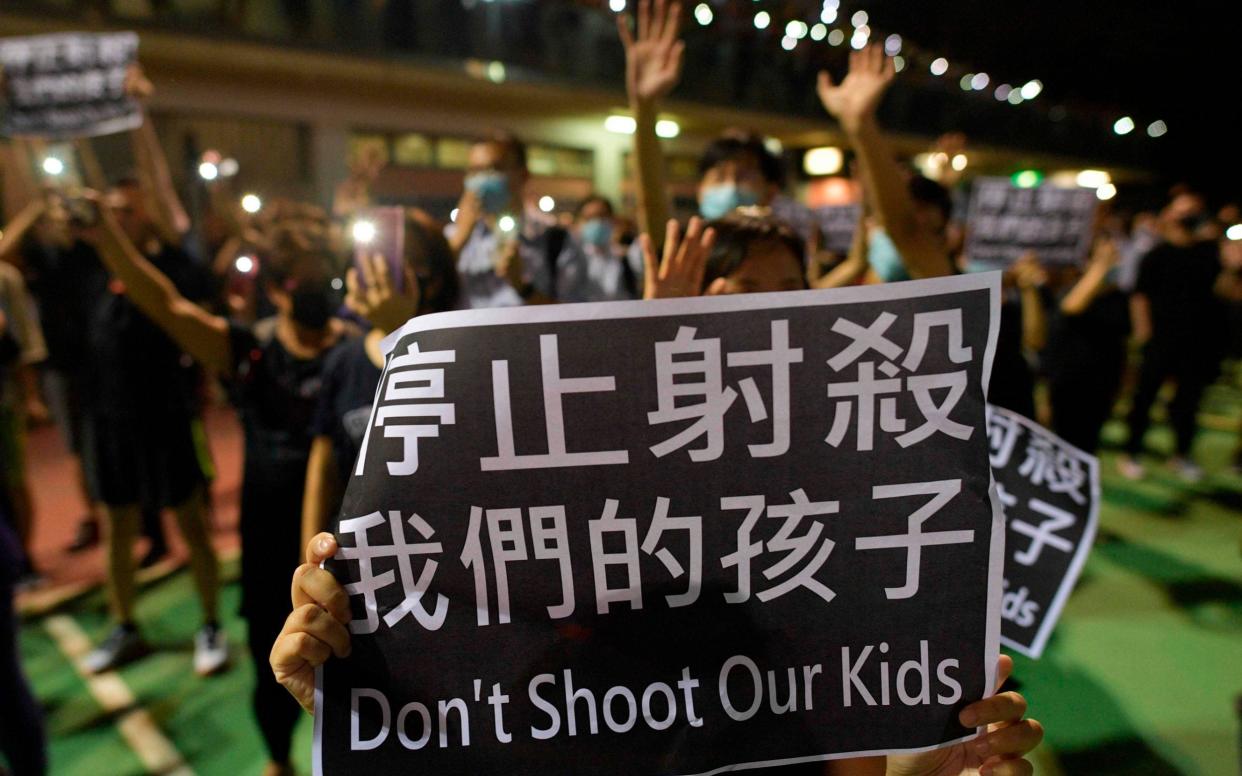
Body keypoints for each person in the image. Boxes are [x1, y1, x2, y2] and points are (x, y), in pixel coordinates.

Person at [271, 211, 1045, 776]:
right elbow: (501, 693)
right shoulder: (579, 459)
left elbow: (844, 736)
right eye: (743, 287)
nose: (764, 311)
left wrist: (948, 762)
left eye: (790, 291)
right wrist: (371, 697)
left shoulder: (841, 490)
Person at [83, 187, 360, 773]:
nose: (323, 295)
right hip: (269, 534)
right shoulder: (250, 352)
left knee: (356, 649)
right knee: (277, 656)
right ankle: (278, 760)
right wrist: (107, 235)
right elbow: (165, 305)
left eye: (330, 282)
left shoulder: (360, 352)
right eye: (310, 283)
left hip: (344, 530)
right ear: (281, 288)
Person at [302, 210, 458, 549]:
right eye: (374, 259)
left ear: (434, 276)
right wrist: (309, 554)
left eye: (403, 260)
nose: (382, 272)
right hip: (358, 551)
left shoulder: (459, 355)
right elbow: (323, 466)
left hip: (434, 548)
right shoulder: (343, 361)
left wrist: (399, 331)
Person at [1119, 191, 1230, 481]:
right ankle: (1131, 452)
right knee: (1145, 397)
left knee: (1188, 400)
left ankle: (1181, 454)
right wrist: (1143, 331)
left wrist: (1232, 266)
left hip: (1197, 340)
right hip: (1160, 338)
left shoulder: (1211, 253)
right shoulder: (1157, 254)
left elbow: (1224, 292)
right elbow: (1139, 295)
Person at [449, 131, 585, 307]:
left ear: (524, 176)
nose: (481, 180)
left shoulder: (556, 239)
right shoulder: (453, 238)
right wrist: (458, 241)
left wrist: (522, 286)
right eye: (475, 171)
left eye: (494, 169)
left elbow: (574, 317)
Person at [1044, 240, 1130, 453]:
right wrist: (1100, 266)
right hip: (1068, 382)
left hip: (1101, 384)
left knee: (1087, 445)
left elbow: (1123, 343)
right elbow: (1072, 308)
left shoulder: (1118, 298)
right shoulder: (1072, 290)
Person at [0, 233, 49, 589]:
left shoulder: (5, 279)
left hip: (4, 400)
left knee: (14, 481)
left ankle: (25, 560)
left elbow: (24, 345)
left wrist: (31, 396)